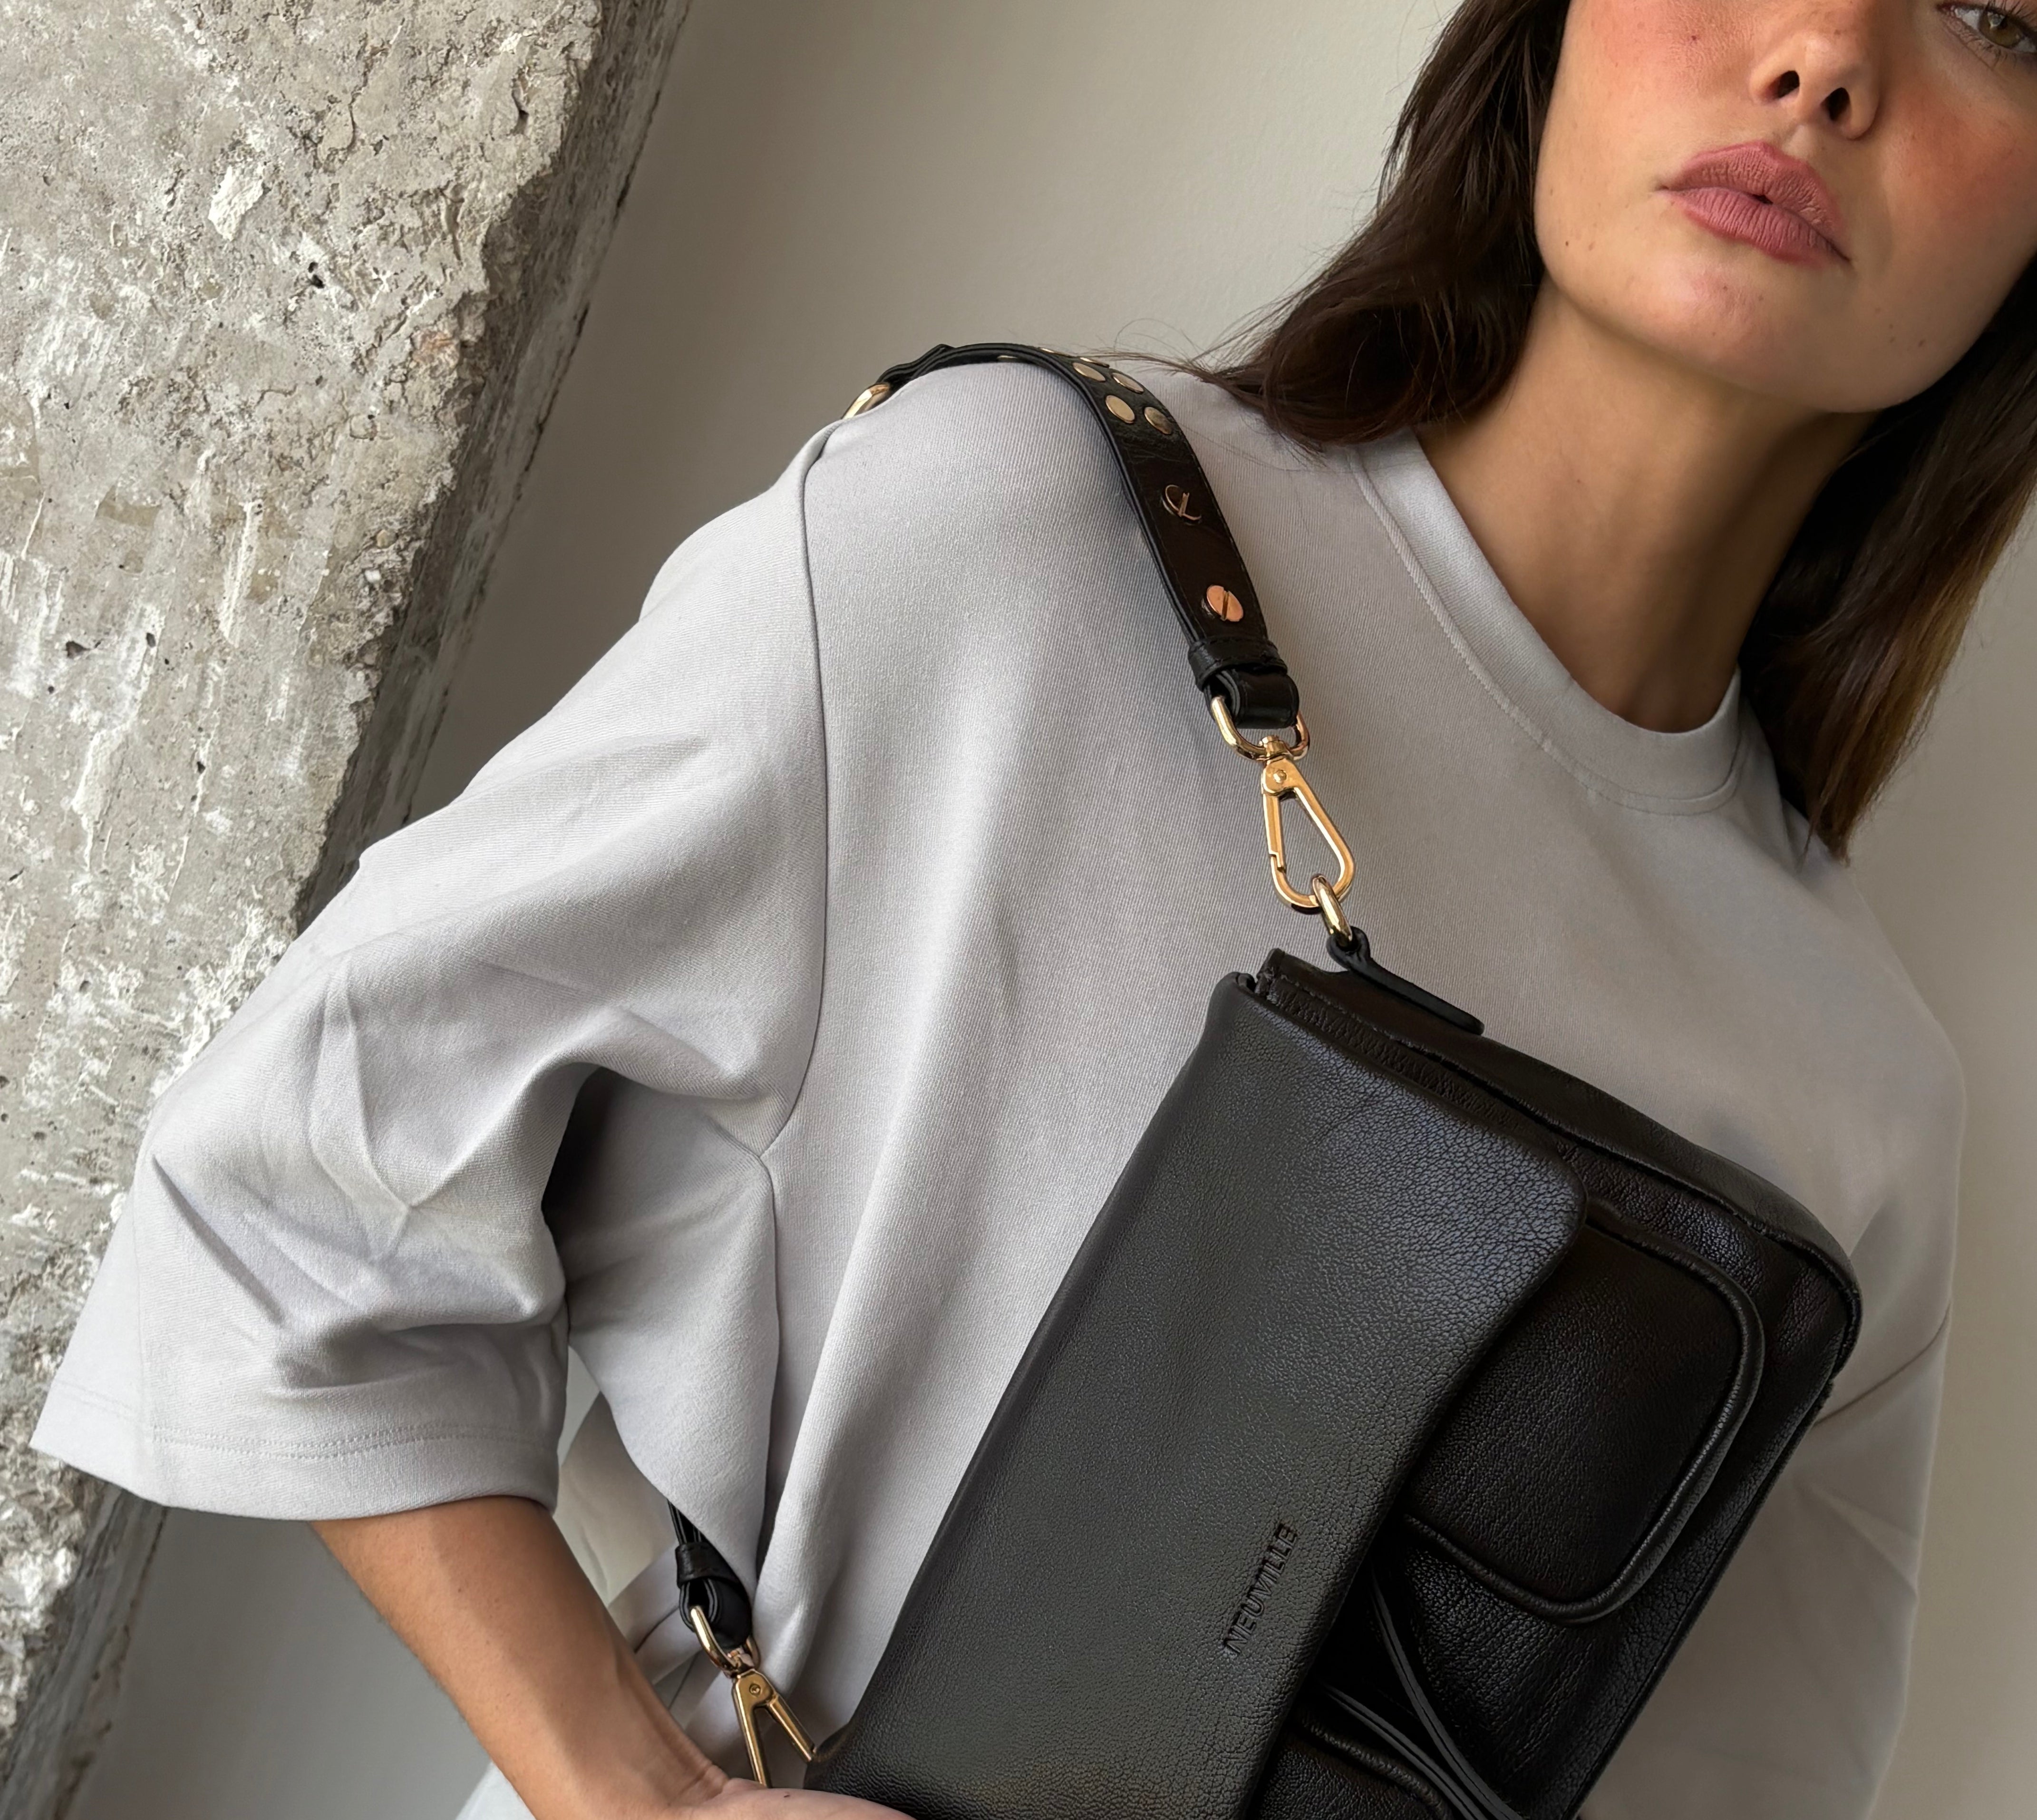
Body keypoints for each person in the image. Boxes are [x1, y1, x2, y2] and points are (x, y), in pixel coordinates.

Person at [34, 0, 2037, 1814]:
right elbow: (302, 1180)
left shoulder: (1858, 1092)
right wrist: (639, 1800)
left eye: (1997, 19)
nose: (1827, 57)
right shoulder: (1023, 533)